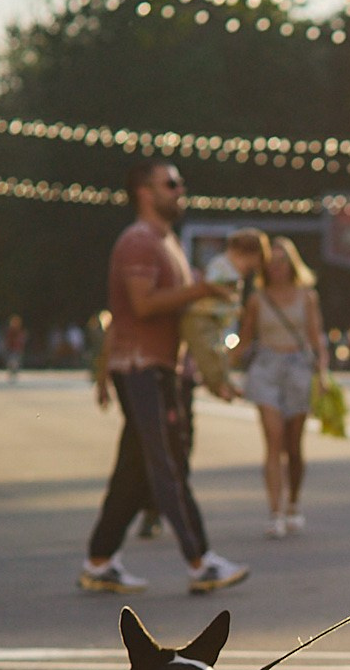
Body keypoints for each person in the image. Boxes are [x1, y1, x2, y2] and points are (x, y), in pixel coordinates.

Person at [79, 158, 248, 595]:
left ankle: (99, 561)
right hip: (141, 368)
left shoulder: (165, 240)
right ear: (144, 192)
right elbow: (142, 305)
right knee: (166, 463)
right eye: (170, 184)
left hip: (157, 368)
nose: (179, 190)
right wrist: (203, 289)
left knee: (134, 471)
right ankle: (201, 561)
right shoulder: (138, 241)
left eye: (179, 183)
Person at [237, 234, 329, 539]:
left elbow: (317, 339)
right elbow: (245, 339)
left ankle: (293, 503)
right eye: (271, 263)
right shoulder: (256, 299)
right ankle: (275, 511)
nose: (277, 268)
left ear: (292, 265)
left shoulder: (307, 296)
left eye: (282, 262)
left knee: (294, 445)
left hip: (298, 368)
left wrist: (323, 374)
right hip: (266, 368)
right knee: (273, 439)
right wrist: (215, 368)